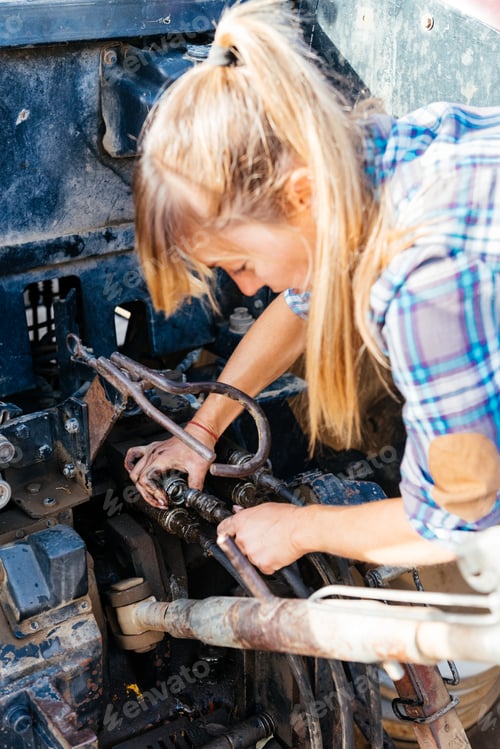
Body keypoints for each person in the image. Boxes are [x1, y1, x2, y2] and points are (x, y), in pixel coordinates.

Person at [125, 0, 500, 574]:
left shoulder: (424, 281)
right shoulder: (395, 155)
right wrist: (201, 431)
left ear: (300, 194)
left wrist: (300, 529)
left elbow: (462, 517)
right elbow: (300, 308)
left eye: (242, 262)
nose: (248, 288)